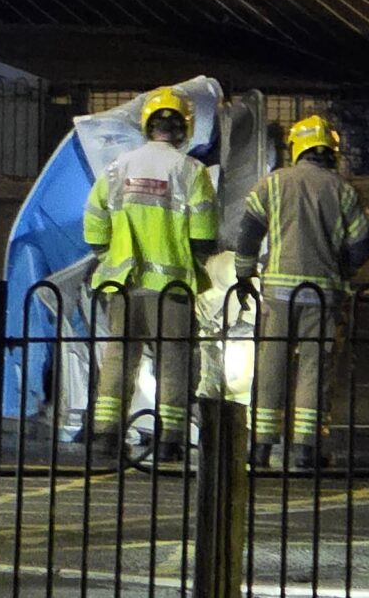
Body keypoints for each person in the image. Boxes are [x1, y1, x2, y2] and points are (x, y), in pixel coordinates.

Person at [225, 115, 369, 471]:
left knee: (271, 365)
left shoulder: (272, 185)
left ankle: (260, 448)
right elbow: (363, 243)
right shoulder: (344, 191)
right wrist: (345, 269)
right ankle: (306, 450)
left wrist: (244, 275)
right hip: (323, 294)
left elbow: (247, 234)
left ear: (297, 147)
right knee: (314, 368)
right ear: (330, 152)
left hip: (278, 293)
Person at [81, 86, 219, 463]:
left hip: (123, 283)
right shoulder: (192, 172)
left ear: (147, 126)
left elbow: (93, 225)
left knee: (119, 359)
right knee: (173, 360)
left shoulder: (117, 168)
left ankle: (106, 437)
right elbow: (204, 234)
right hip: (172, 287)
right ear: (182, 129)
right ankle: (170, 440)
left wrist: (110, 255)